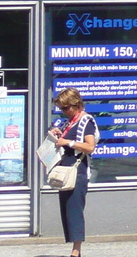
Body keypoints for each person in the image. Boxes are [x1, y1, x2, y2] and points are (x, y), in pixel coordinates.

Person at [48, 88, 96, 257]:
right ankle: (74, 250)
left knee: (75, 210)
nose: (63, 111)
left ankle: (76, 252)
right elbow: (63, 139)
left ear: (75, 105)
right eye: (60, 108)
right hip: (65, 170)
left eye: (65, 108)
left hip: (78, 171)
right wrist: (55, 133)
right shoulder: (69, 121)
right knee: (67, 210)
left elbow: (90, 146)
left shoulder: (86, 121)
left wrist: (67, 142)